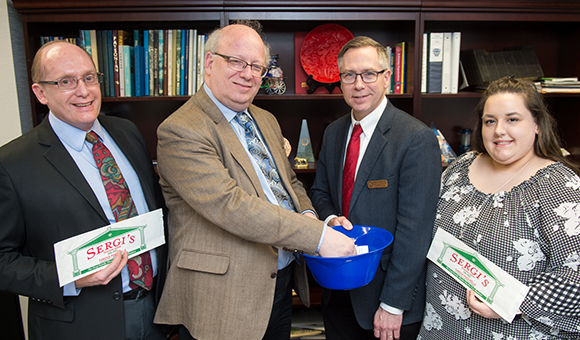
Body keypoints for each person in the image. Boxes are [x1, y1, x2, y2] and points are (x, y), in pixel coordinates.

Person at [153, 20, 356, 340]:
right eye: (236, 61)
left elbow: (288, 182)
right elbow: (231, 206)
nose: (248, 74)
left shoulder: (266, 119)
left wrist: (307, 214)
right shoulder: (182, 130)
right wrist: (317, 237)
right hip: (223, 294)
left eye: (257, 67)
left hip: (280, 281)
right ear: (209, 62)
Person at [0, 40, 168, 340]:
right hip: (79, 326)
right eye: (66, 81)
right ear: (40, 93)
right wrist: (70, 277)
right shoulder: (11, 164)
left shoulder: (126, 132)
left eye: (89, 78)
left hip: (153, 310)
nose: (83, 91)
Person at [418, 76, 580, 339]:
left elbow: (576, 274)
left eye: (512, 119)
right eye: (490, 121)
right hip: (441, 328)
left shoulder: (558, 186)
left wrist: (513, 301)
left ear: (537, 124)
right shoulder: (461, 167)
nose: (499, 131)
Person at [309, 36, 442, 340]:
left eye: (369, 74)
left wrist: (393, 304)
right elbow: (319, 192)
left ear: (387, 78)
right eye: (349, 75)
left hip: (385, 299)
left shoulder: (415, 138)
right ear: (340, 81)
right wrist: (331, 220)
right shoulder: (333, 132)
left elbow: (416, 229)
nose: (359, 85)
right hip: (337, 288)